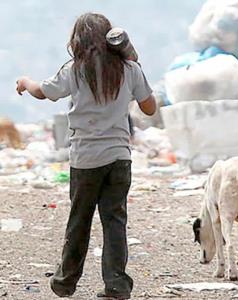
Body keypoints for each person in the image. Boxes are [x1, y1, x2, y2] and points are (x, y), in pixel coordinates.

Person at [16, 13, 156, 299]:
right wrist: (135, 65)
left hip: (85, 160)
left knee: (80, 221)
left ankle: (65, 282)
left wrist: (25, 82)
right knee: (114, 221)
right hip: (119, 158)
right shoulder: (129, 69)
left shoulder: (74, 70)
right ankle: (116, 286)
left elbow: (44, 92)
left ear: (77, 41)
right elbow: (150, 108)